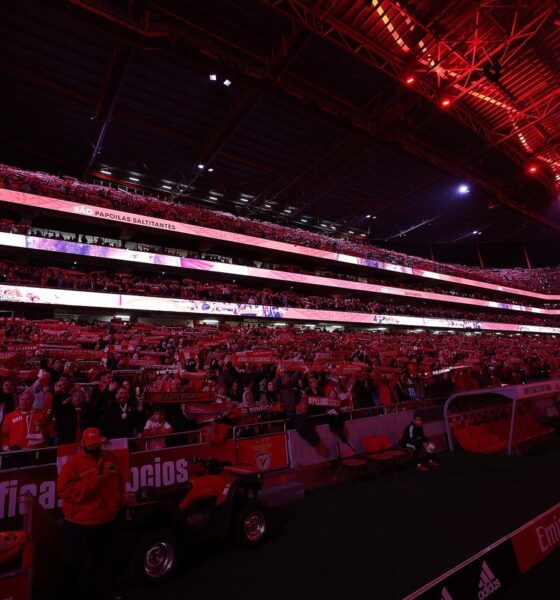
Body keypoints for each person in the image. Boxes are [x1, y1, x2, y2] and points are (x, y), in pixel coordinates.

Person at [57, 427, 126, 598]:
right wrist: (95, 481)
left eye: (96, 444)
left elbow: (119, 480)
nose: (94, 447)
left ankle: (103, 592)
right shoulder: (73, 464)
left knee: (103, 561)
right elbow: (64, 490)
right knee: (74, 564)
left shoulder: (110, 458)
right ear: (82, 443)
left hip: (107, 519)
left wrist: (119, 501)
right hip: (81, 523)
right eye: (90, 444)